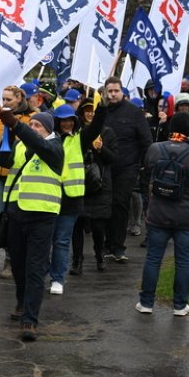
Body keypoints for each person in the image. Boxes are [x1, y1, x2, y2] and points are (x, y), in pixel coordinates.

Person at [135, 112, 189, 316]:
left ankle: (146, 303)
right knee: (183, 260)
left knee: (153, 259)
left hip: (158, 214)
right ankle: (179, 305)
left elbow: (145, 176)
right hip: (186, 216)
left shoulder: (154, 149)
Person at [0, 109, 64, 341]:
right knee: (18, 264)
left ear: (48, 130)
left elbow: (41, 146)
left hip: (43, 215)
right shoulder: (21, 144)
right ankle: (21, 300)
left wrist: (18, 125)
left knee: (35, 268)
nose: (33, 128)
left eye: (38, 125)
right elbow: (1, 161)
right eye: (31, 124)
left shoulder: (55, 147)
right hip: (17, 212)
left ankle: (30, 319)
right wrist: (6, 135)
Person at [48, 102, 106, 294]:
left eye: (70, 120)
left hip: (70, 200)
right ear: (56, 121)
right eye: (63, 120)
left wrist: (103, 106)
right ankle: (40, 273)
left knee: (62, 241)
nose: (67, 124)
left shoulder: (80, 139)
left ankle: (58, 278)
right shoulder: (48, 140)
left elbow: (96, 126)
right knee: (44, 240)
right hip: (47, 198)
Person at [0, 85, 34, 278]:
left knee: (15, 217)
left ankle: (11, 259)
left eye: (9, 100)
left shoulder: (30, 118)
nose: (4, 103)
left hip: (18, 174)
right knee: (0, 217)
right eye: (3, 99)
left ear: (19, 99)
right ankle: (11, 253)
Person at [102, 76, 153, 262]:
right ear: (105, 92)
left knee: (120, 204)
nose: (113, 94)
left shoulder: (134, 113)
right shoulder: (102, 111)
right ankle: (106, 245)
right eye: (110, 91)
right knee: (106, 204)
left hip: (128, 166)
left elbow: (146, 140)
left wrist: (145, 165)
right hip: (105, 165)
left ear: (122, 91)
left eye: (116, 91)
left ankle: (118, 247)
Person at [70, 99, 118, 275]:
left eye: (93, 110)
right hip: (79, 184)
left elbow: (113, 158)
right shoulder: (77, 133)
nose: (90, 113)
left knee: (98, 227)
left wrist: (101, 149)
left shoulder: (108, 132)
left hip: (100, 186)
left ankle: (99, 255)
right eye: (87, 110)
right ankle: (77, 260)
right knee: (77, 226)